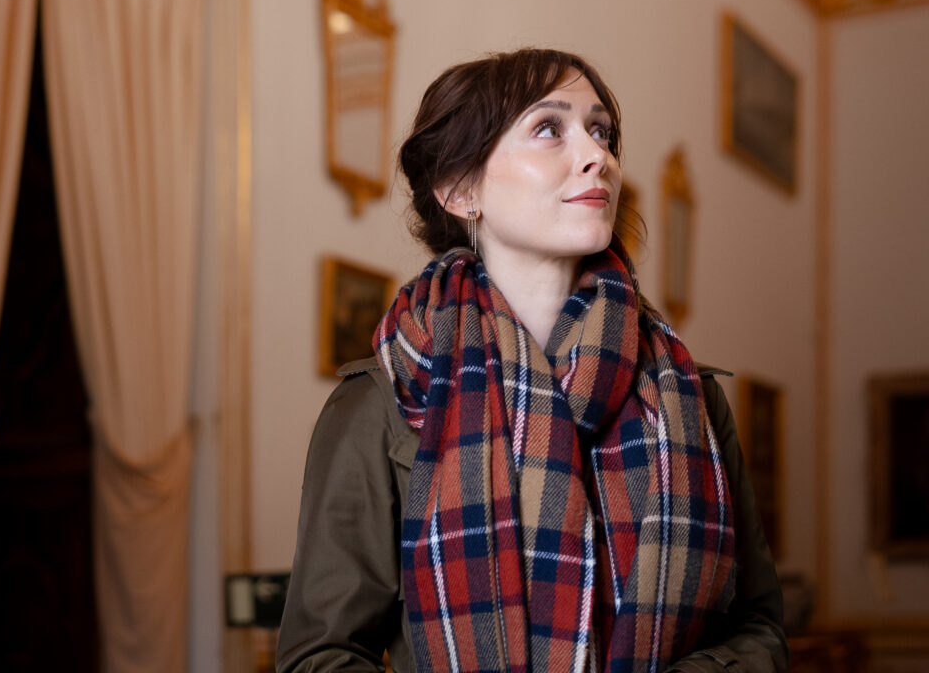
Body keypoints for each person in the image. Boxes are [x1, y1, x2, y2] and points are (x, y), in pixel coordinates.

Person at [278, 48, 788, 673]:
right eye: (550, 128)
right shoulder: (379, 402)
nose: (596, 155)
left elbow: (759, 626)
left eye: (600, 131)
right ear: (461, 190)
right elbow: (321, 655)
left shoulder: (692, 395)